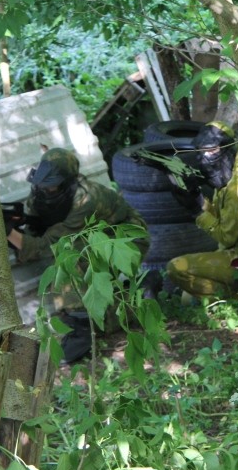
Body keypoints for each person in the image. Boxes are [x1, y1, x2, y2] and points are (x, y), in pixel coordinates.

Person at [8, 147, 149, 363]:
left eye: (52, 186)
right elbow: (36, 231)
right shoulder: (41, 192)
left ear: (67, 182)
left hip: (127, 240)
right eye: (42, 185)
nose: (46, 190)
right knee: (100, 314)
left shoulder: (87, 199)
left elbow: (48, 245)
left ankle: (80, 326)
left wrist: (8, 232)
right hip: (97, 237)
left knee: (69, 255)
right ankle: (140, 299)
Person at [166, 121, 238, 306]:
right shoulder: (234, 173)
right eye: (202, 151)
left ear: (228, 147)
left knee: (176, 268)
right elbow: (223, 218)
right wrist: (198, 199)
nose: (205, 157)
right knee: (187, 297)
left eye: (211, 150)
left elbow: (226, 236)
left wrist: (197, 212)